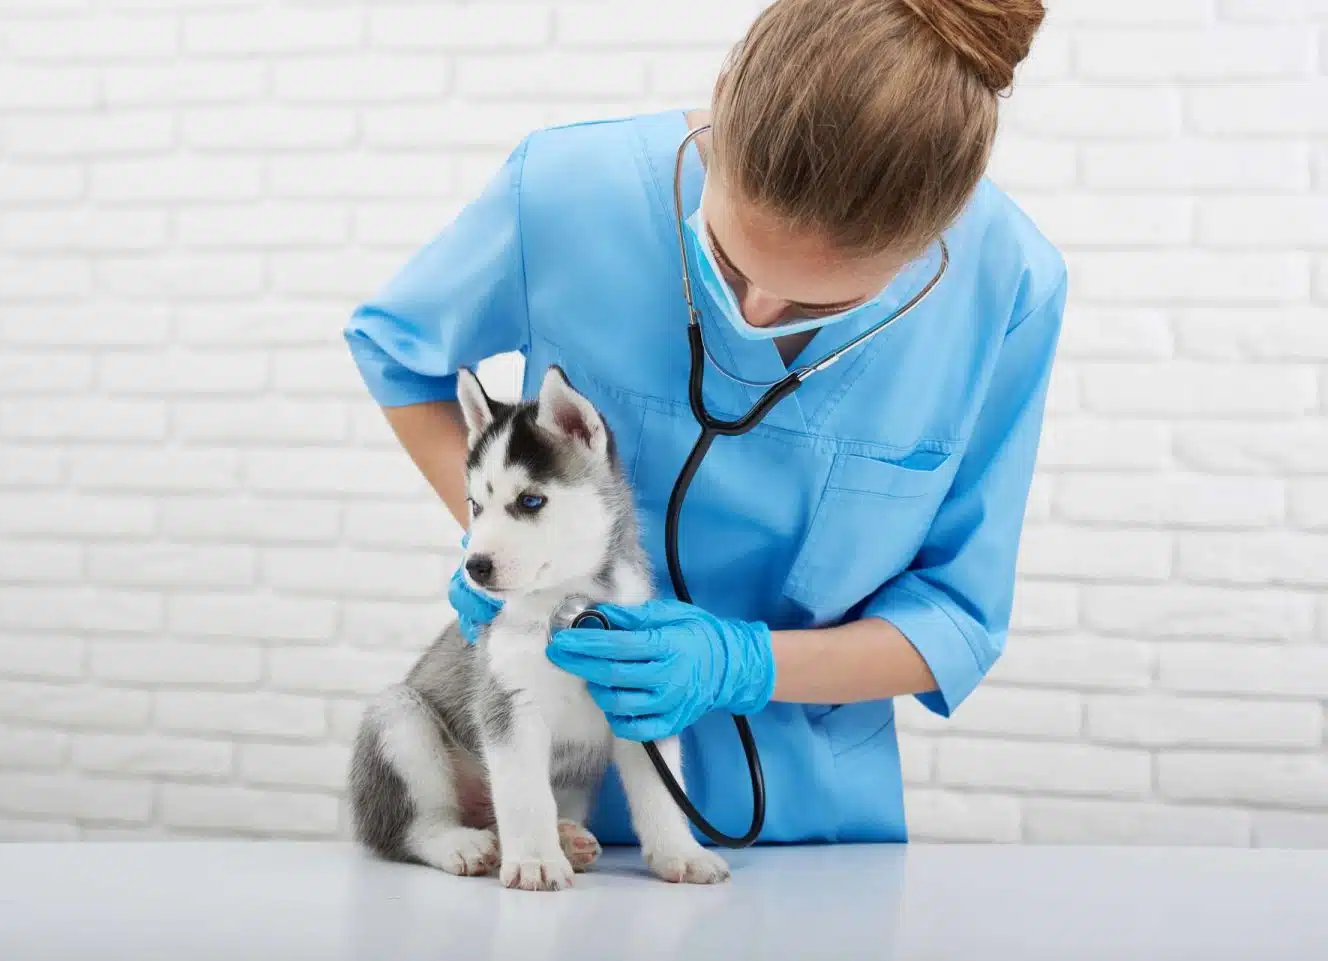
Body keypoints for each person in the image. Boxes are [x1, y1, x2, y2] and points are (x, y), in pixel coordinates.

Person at [344, 0, 1063, 846]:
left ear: (936, 236)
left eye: (821, 303)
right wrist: (517, 544)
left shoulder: (1006, 287)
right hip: (547, 813)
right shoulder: (569, 191)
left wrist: (740, 665)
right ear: (721, 101)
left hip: (807, 827)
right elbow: (397, 350)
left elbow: (954, 615)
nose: (755, 313)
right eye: (725, 257)